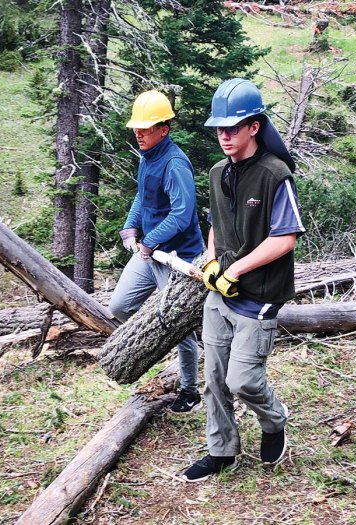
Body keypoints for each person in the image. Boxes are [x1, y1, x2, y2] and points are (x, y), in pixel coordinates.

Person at [181, 78, 305, 482]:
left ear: (254, 126)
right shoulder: (218, 172)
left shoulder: (275, 175)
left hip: (260, 295)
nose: (224, 136)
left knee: (242, 379)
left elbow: (285, 239)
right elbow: (218, 224)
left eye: (232, 127)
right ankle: (221, 451)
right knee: (215, 378)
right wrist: (215, 261)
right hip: (221, 294)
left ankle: (274, 419)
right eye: (219, 128)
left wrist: (235, 269)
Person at [109, 90, 205, 413]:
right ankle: (159, 338)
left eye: (146, 128)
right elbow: (143, 196)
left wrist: (150, 241)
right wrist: (130, 226)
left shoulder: (175, 164)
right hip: (151, 253)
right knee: (120, 305)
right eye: (137, 127)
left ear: (164, 129)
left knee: (179, 327)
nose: (139, 133)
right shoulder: (146, 157)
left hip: (178, 259)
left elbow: (182, 213)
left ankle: (190, 390)